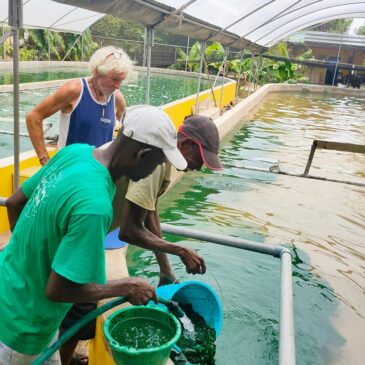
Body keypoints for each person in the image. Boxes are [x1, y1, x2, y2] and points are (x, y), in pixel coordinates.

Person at [0, 105, 188, 365]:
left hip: (7, 287)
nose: (156, 168)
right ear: (142, 154)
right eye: (158, 161)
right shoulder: (94, 206)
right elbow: (57, 289)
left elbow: (14, 202)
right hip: (24, 326)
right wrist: (126, 285)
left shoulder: (74, 152)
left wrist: (27, 254)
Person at [26, 45, 132, 165]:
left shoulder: (117, 98)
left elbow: (127, 130)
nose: (118, 86)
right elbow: (33, 116)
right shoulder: (74, 90)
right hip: (69, 170)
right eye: (114, 79)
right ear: (98, 72)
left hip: (99, 172)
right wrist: (44, 159)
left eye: (121, 80)